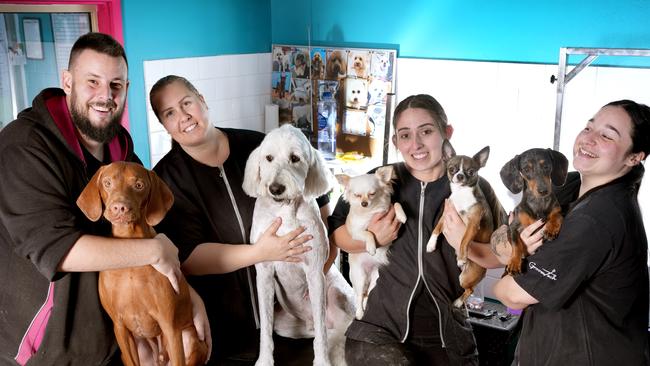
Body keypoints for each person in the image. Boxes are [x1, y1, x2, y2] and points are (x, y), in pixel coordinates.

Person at [0, 33, 209, 366]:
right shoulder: (23, 146)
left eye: (116, 85)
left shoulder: (120, 149)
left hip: (110, 336)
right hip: (46, 350)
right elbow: (59, 250)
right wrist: (157, 251)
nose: (105, 96)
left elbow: (144, 228)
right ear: (67, 82)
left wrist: (183, 296)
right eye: (92, 82)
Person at [149, 75, 334, 365]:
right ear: (164, 124)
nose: (183, 116)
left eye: (187, 103)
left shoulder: (257, 144)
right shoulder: (166, 180)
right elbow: (187, 257)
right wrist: (260, 253)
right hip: (225, 328)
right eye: (169, 113)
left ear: (202, 100)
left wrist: (323, 260)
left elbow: (316, 199)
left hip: (289, 319)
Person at [328, 94, 507, 365]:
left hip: (448, 333)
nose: (416, 145)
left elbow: (501, 255)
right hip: (379, 328)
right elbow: (338, 235)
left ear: (446, 134)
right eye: (405, 135)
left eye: (426, 131)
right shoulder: (380, 179)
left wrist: (465, 244)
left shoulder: (474, 188)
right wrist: (373, 238)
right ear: (395, 142)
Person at [492, 100, 650, 365]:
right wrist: (507, 246)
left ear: (634, 157)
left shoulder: (598, 218)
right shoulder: (571, 186)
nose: (588, 139)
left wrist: (507, 258)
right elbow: (503, 236)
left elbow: (512, 295)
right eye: (589, 127)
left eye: (607, 135)